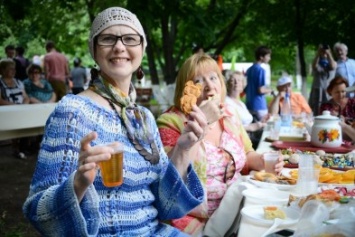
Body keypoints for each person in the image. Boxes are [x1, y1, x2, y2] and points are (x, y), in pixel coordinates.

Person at [23, 7, 205, 236]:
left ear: (141, 49)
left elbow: (166, 207)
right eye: (108, 39)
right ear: (94, 51)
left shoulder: (144, 118)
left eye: (130, 39)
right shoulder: (72, 111)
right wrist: (78, 183)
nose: (120, 46)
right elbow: (38, 212)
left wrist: (183, 149)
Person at [157, 53, 284, 235]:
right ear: (185, 90)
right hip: (191, 221)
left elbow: (248, 155)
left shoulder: (229, 114)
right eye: (198, 81)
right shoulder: (171, 122)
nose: (209, 86)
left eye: (213, 77)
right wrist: (204, 121)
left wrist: (264, 161)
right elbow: (170, 179)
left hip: (236, 210)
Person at [225, 70, 267, 149]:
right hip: (239, 143)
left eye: (240, 80)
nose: (237, 82)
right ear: (227, 83)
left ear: (243, 84)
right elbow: (228, 128)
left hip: (249, 139)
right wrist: (251, 127)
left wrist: (261, 122)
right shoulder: (226, 102)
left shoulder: (241, 103)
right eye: (233, 80)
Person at [0, 59, 30, 159]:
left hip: (21, 110)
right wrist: (14, 106)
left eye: (14, 69)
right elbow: (0, 100)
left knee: (28, 125)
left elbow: (26, 97)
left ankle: (22, 149)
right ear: (3, 70)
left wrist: (24, 105)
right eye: (10, 69)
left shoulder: (18, 82)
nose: (13, 71)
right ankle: (16, 148)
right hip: (6, 112)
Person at [244, 45, 273, 121]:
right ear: (261, 57)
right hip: (259, 105)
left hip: (249, 103)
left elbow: (246, 88)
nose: (269, 58)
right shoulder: (261, 70)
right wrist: (271, 90)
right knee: (264, 127)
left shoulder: (249, 70)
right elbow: (260, 90)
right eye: (268, 56)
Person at [309, 44, 337, 115]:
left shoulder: (332, 62)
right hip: (318, 90)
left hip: (329, 90)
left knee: (329, 109)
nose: (324, 53)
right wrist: (318, 53)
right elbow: (314, 66)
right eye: (322, 52)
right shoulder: (317, 62)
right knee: (317, 109)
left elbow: (333, 66)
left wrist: (328, 53)